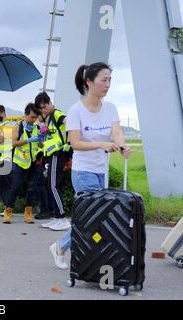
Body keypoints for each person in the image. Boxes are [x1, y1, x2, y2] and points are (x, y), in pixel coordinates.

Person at [49, 62, 131, 269]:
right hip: (83, 171)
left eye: (110, 80)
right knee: (96, 216)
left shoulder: (110, 108)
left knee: (95, 217)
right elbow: (75, 143)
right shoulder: (76, 111)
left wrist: (122, 145)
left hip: (101, 171)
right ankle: (65, 247)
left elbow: (117, 131)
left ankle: (73, 250)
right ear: (89, 82)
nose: (108, 84)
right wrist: (101, 144)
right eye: (104, 80)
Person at [2, 103, 49, 224]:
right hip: (20, 162)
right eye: (32, 117)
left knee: (32, 188)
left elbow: (40, 145)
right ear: (25, 115)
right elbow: (13, 143)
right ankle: (8, 212)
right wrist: (28, 140)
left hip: (33, 162)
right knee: (16, 187)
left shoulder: (37, 128)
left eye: (35, 117)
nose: (34, 120)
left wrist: (41, 139)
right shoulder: (18, 127)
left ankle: (28, 213)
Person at [34, 92, 71, 228]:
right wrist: (41, 126)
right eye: (41, 109)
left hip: (58, 153)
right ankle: (56, 217)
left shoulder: (56, 113)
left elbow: (69, 122)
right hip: (51, 154)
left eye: (44, 107)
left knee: (53, 185)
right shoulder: (48, 118)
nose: (43, 110)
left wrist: (69, 142)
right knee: (50, 184)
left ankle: (62, 218)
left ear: (50, 103)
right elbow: (46, 133)